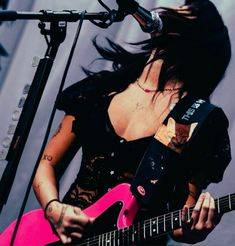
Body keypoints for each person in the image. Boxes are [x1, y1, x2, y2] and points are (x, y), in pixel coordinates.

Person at [33, 0, 232, 245]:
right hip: (60, 238)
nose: (174, 10)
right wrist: (54, 209)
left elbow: (182, 222)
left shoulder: (198, 120)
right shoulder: (100, 91)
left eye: (187, 10)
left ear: (199, 36)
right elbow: (46, 164)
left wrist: (197, 228)